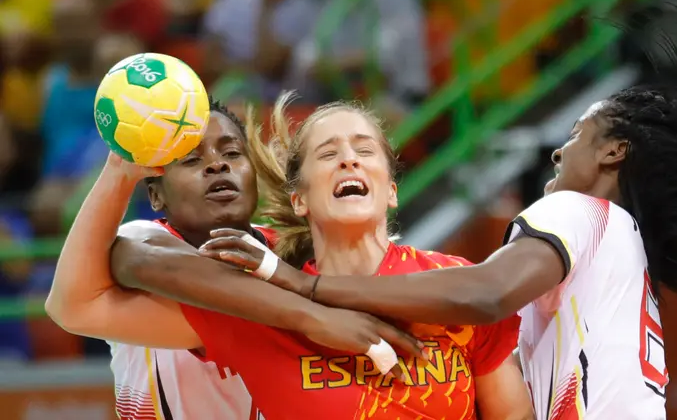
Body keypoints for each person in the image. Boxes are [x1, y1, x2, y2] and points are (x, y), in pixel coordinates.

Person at [195, 0, 677, 419]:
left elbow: (484, 295)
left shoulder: (578, 212)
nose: (559, 151)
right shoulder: (619, 243)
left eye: (577, 135)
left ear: (614, 152)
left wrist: (306, 287)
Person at [46, 97, 421, 419]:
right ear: (156, 196)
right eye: (191, 159)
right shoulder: (143, 239)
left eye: (232, 153)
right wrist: (119, 171)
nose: (217, 165)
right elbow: (68, 306)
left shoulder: (294, 253)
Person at [195, 94, 532, 419]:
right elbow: (160, 279)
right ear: (299, 200)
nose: (349, 160)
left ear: (391, 191)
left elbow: (512, 415)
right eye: (328, 154)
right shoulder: (266, 306)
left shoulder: (455, 282)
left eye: (365, 150)